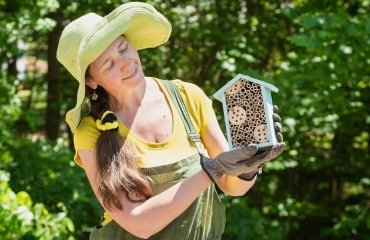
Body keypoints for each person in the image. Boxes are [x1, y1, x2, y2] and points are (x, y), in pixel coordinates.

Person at [56, 2, 285, 239]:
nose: (125, 63)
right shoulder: (91, 132)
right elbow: (139, 223)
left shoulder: (187, 97)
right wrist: (212, 169)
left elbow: (232, 185)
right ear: (92, 82)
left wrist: (251, 165)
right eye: (109, 64)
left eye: (123, 48)